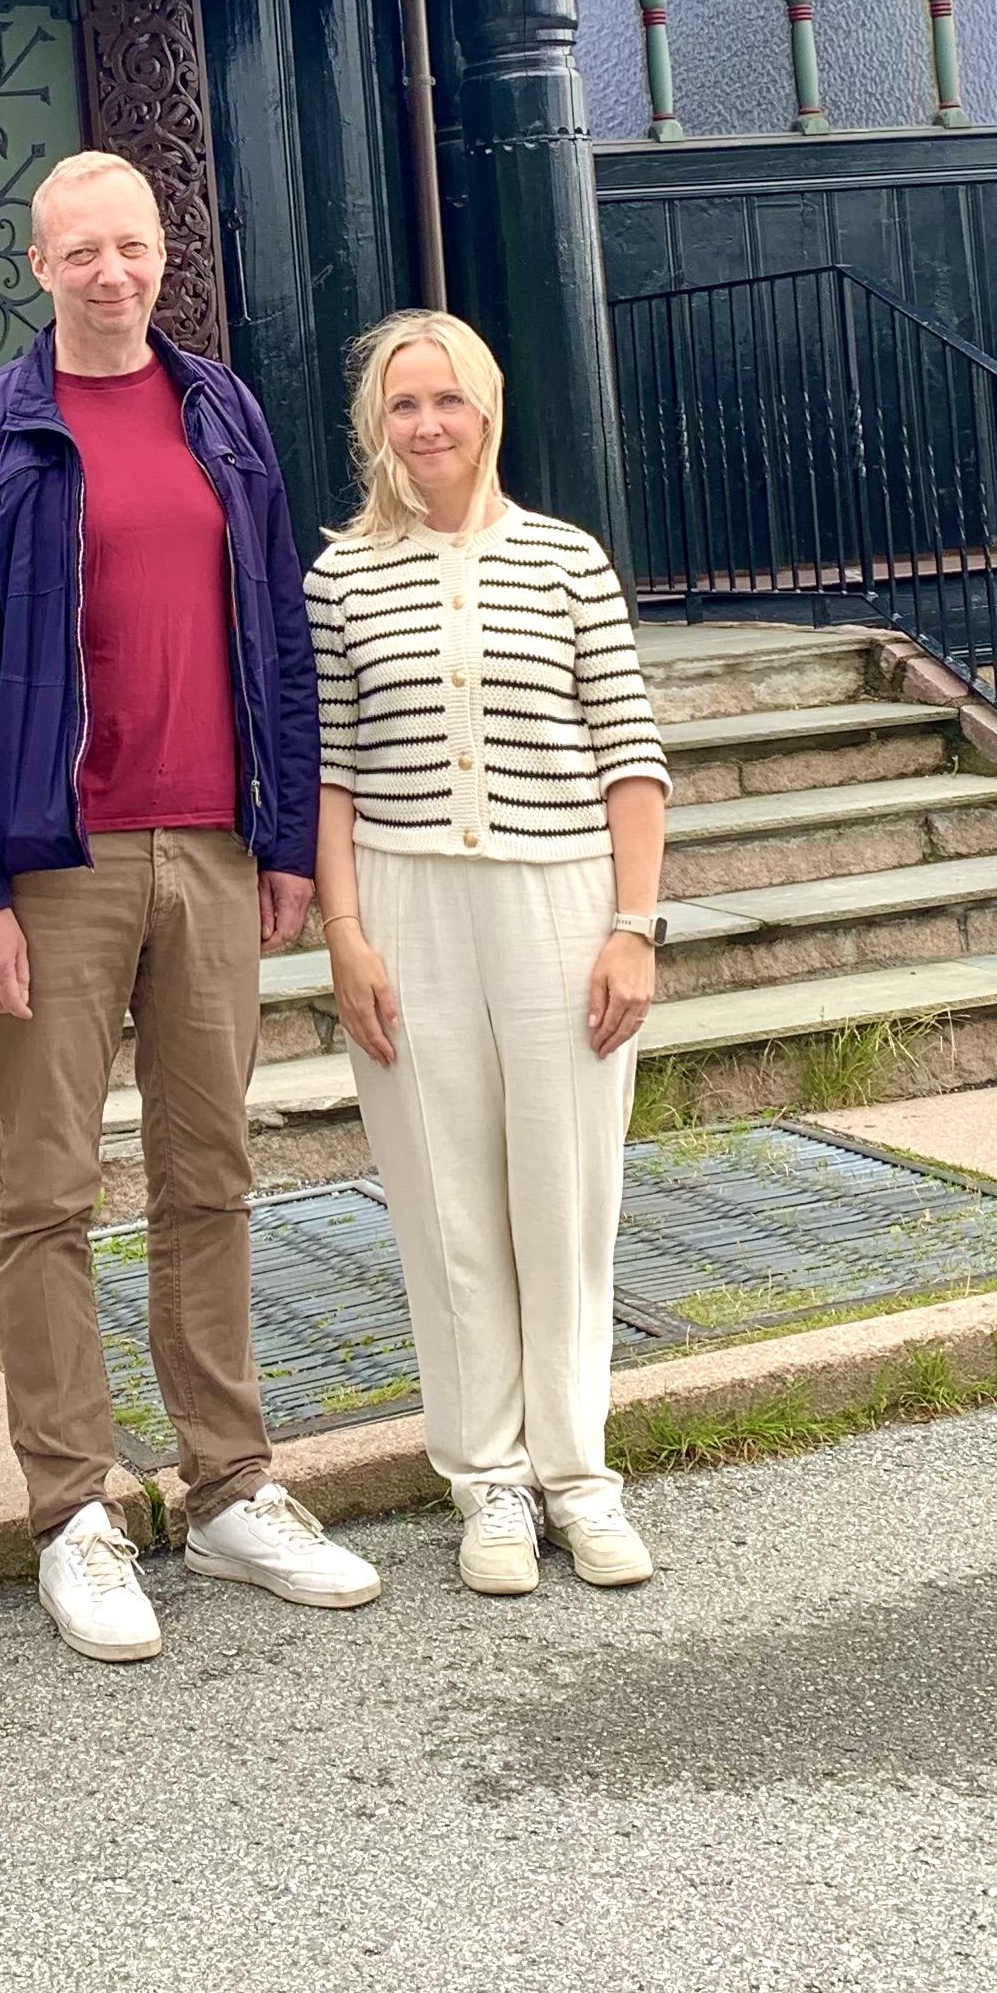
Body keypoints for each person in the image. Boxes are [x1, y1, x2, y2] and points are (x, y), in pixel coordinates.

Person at [0, 151, 381, 1660]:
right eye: (80, 251)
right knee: (46, 1186)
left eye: (132, 246)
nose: (110, 273)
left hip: (214, 843)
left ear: (162, 254)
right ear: (36, 265)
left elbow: (283, 641)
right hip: (54, 861)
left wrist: (291, 836)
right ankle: (71, 1505)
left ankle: (230, 1483)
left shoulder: (224, 411)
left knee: (212, 1170)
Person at [306, 311, 672, 1599]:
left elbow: (631, 756)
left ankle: (580, 1474)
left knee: (564, 1194)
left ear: (489, 407)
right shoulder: (340, 576)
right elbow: (333, 772)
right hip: (406, 903)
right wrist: (345, 935)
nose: (429, 425)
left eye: (448, 399)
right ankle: (489, 1482)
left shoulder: (568, 561)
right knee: (444, 1200)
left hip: (559, 895)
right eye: (404, 405)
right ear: (377, 425)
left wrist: (633, 925)